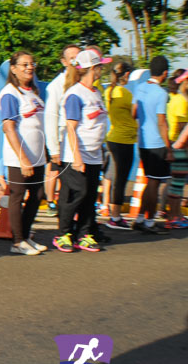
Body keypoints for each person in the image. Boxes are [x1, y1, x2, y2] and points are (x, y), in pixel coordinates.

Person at [54, 50, 108, 253]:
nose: (102, 69)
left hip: (93, 155)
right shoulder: (75, 94)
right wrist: (77, 157)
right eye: (100, 65)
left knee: (90, 196)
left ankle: (84, 234)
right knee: (77, 194)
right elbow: (70, 127)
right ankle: (63, 234)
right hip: (76, 155)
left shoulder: (95, 92)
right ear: (93, 68)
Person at [0, 50, 48, 255]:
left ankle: (26, 237)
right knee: (18, 196)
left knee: (37, 196)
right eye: (24, 64)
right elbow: (9, 127)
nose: (29, 67)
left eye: (31, 64)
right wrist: (23, 158)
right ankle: (17, 242)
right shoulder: (10, 93)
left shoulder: (32, 93)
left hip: (38, 155)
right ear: (14, 69)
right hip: (19, 157)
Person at [133, 55, 172, 234]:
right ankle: (147, 221)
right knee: (154, 183)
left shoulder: (140, 88)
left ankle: (142, 217)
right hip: (157, 143)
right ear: (165, 73)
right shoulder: (161, 93)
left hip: (143, 141)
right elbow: (161, 122)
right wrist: (168, 147)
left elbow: (134, 113)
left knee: (151, 181)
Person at [43, 45, 82, 215]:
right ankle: (55, 207)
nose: (76, 61)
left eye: (78, 57)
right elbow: (51, 116)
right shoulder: (56, 85)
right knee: (64, 179)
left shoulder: (83, 82)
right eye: (72, 58)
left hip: (81, 142)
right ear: (64, 61)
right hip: (63, 139)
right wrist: (54, 149)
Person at [102, 61, 137, 229]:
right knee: (121, 180)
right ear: (127, 75)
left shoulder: (109, 91)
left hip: (114, 138)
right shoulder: (124, 93)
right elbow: (135, 113)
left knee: (116, 178)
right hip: (124, 140)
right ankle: (115, 217)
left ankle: (111, 212)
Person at [163, 70, 188, 225]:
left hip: (177, 143)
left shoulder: (178, 99)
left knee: (176, 182)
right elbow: (181, 125)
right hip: (179, 144)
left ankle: (174, 214)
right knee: (177, 184)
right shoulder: (181, 101)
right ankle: (173, 216)